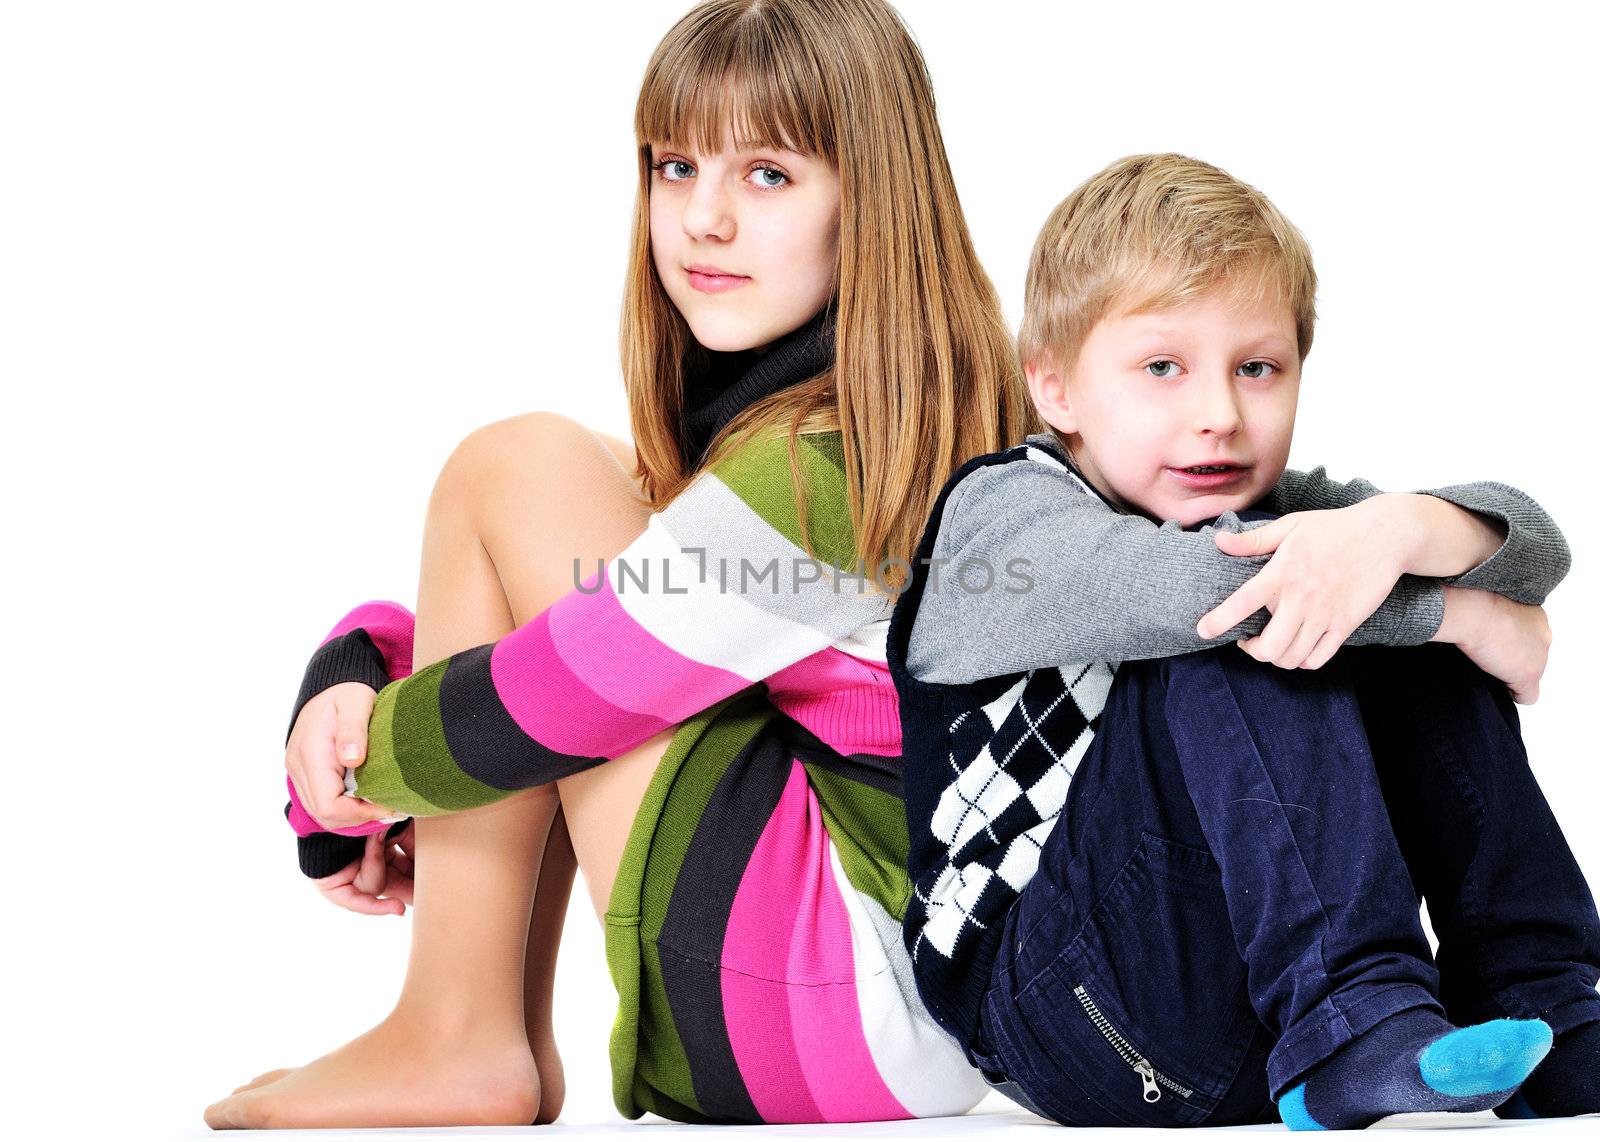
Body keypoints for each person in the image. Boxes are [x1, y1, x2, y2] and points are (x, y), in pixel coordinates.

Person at [202, 0, 1036, 1129]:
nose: (703, 218)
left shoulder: (822, 461)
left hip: (837, 1003)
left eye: (770, 175)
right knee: (568, 474)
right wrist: (362, 656)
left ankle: (455, 1029)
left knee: (514, 464)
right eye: (675, 163)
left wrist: (340, 785)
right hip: (885, 1006)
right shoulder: (861, 426)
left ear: (872, 200)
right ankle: (468, 1037)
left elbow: (553, 690)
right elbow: (609, 615)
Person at [886, 153, 1600, 1130]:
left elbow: (1533, 544)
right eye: (1161, 368)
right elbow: (1210, 589)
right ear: (1053, 388)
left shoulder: (1270, 509)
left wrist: (1395, 531)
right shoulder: (998, 519)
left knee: (1353, 576)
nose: (1218, 414)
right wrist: (1461, 616)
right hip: (1065, 1014)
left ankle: (1546, 1003)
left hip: (1253, 1000)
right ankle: (1355, 1018)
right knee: (1254, 613)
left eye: (1256, 368)